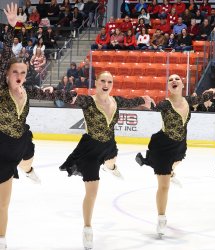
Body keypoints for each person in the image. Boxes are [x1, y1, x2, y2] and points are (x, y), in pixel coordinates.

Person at [0, 4, 73, 249]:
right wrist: (11, 28)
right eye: (14, 71)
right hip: (1, 146)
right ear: (7, 74)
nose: (19, 74)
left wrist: (67, 94)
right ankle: (2, 239)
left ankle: (29, 170)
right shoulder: (1, 90)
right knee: (4, 201)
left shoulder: (28, 90)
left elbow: (49, 93)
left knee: (29, 156)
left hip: (21, 140)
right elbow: (5, 55)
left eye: (23, 71)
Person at [59, 71, 153, 249]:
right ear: (96, 82)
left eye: (109, 81)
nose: (106, 83)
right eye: (103, 80)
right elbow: (70, 98)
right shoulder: (88, 101)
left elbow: (133, 101)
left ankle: (110, 167)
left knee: (111, 162)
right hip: (90, 151)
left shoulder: (116, 101)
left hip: (109, 145)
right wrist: (55, 92)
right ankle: (87, 228)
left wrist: (145, 99)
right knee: (92, 193)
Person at [135, 75, 215, 237]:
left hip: (180, 145)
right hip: (163, 146)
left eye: (177, 79)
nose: (174, 80)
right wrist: (148, 105)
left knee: (177, 162)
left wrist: (213, 92)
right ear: (168, 86)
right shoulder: (165, 103)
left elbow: (208, 96)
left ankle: (171, 172)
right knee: (164, 185)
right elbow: (155, 107)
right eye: (170, 79)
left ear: (182, 84)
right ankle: (161, 217)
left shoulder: (189, 101)